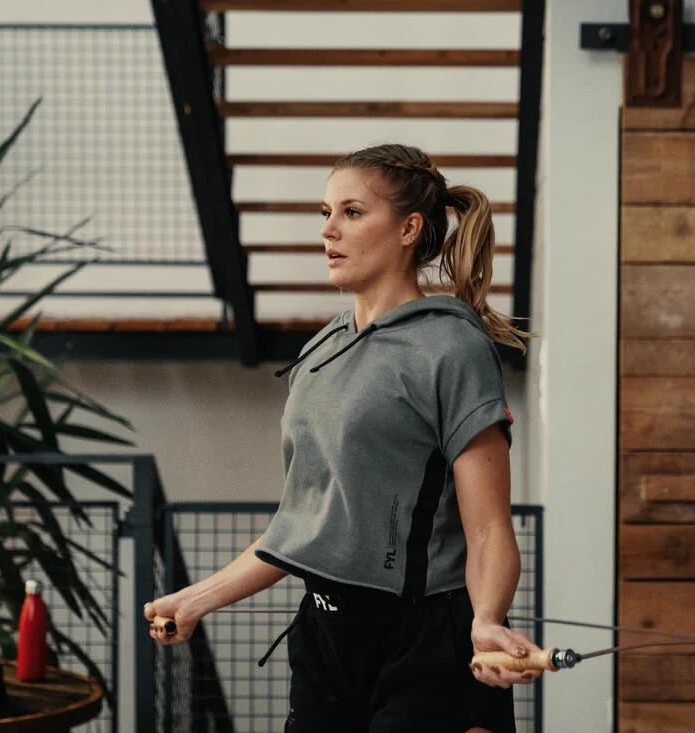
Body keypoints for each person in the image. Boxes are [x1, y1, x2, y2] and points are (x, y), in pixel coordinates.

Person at [144, 143, 539, 733]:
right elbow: (306, 523)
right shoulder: (319, 352)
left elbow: (487, 527)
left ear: (408, 229)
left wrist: (486, 620)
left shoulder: (451, 349)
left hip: (428, 643)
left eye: (351, 212)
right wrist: (198, 598)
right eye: (325, 213)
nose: (328, 230)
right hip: (326, 637)